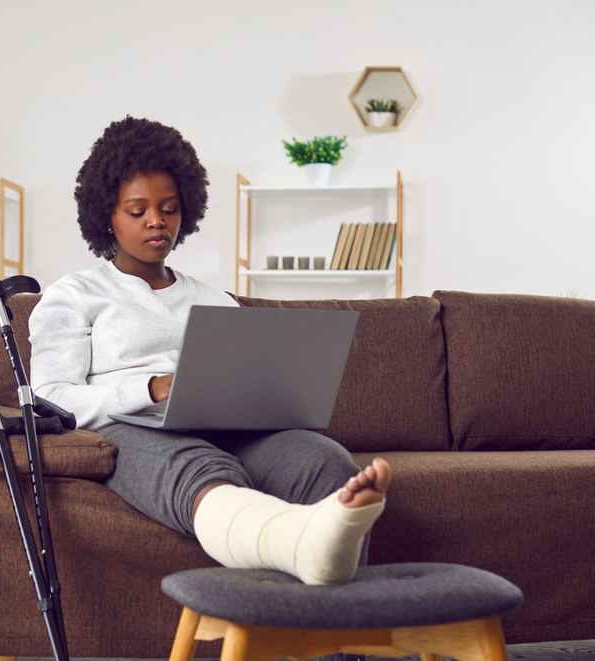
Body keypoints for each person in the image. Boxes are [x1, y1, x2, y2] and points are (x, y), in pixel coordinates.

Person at [28, 116, 390, 586]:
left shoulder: (216, 300)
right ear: (106, 217)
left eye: (169, 208)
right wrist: (153, 388)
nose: (157, 221)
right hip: (129, 429)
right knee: (199, 465)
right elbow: (50, 397)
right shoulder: (74, 294)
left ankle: (335, 621)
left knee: (323, 460)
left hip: (225, 428)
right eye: (137, 211)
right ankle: (298, 546)